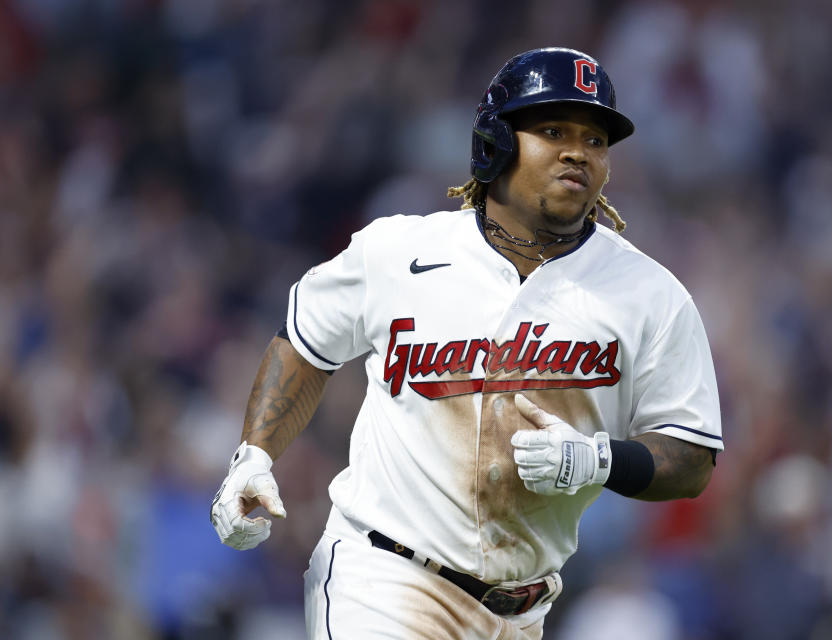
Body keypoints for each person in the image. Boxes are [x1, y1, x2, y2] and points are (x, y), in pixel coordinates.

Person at [210, 47, 723, 640]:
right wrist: (255, 454)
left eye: (596, 140)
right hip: (382, 577)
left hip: (521, 612)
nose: (578, 152)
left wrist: (597, 459)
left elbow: (691, 456)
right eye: (553, 130)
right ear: (496, 142)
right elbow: (305, 341)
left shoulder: (649, 295)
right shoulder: (399, 252)